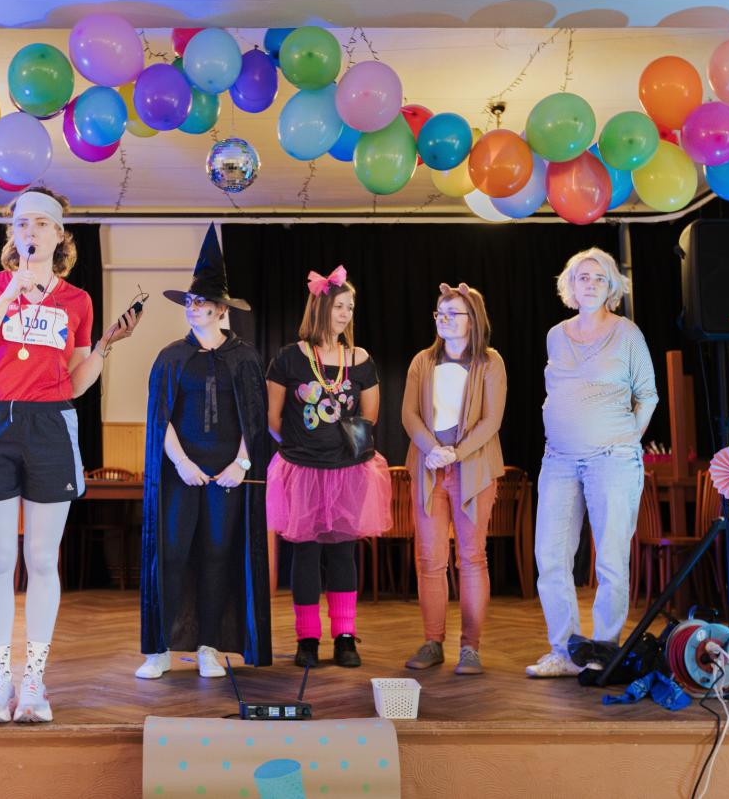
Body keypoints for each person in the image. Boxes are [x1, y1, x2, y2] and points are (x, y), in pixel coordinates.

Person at [0, 187, 140, 723]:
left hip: (50, 424)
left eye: (39, 223)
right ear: (11, 236)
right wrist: (11, 290)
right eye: (20, 224)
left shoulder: (77, 300)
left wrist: (104, 347)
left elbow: (75, 382)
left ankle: (33, 680)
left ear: (59, 235)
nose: (29, 231)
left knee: (40, 559)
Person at [137, 226, 271, 680]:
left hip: (227, 474)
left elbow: (254, 418)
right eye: (190, 302)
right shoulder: (171, 357)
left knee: (217, 555)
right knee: (172, 554)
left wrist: (241, 464)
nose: (193, 308)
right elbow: (160, 419)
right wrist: (181, 463)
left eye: (202, 303)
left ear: (221, 310)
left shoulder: (245, 357)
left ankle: (209, 647)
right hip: (181, 472)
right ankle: (159, 649)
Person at [527, 248, 658, 678]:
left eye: (600, 277)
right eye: (583, 276)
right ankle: (564, 652)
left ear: (612, 287)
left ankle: (604, 651)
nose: (590, 283)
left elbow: (648, 395)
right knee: (550, 556)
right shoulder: (555, 335)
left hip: (612, 458)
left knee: (610, 561)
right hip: (559, 459)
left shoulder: (627, 333)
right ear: (570, 284)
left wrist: (626, 440)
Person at [265, 266, 391, 669]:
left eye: (350, 307)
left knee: (342, 554)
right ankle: (307, 639)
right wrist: (301, 449)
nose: (345, 314)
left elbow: (370, 416)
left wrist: (338, 450)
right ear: (320, 308)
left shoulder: (361, 359)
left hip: (348, 472)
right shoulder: (289, 358)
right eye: (339, 306)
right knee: (304, 554)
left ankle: (345, 637)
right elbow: (273, 418)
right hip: (302, 471)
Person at [401, 283, 506, 675]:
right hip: (429, 468)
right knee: (430, 558)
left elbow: (491, 420)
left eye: (452, 313)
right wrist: (432, 450)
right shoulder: (422, 361)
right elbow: (409, 414)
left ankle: (470, 648)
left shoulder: (490, 362)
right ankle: (433, 642)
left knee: (472, 557)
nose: (443, 319)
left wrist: (456, 454)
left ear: (472, 319)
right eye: (439, 313)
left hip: (473, 469)